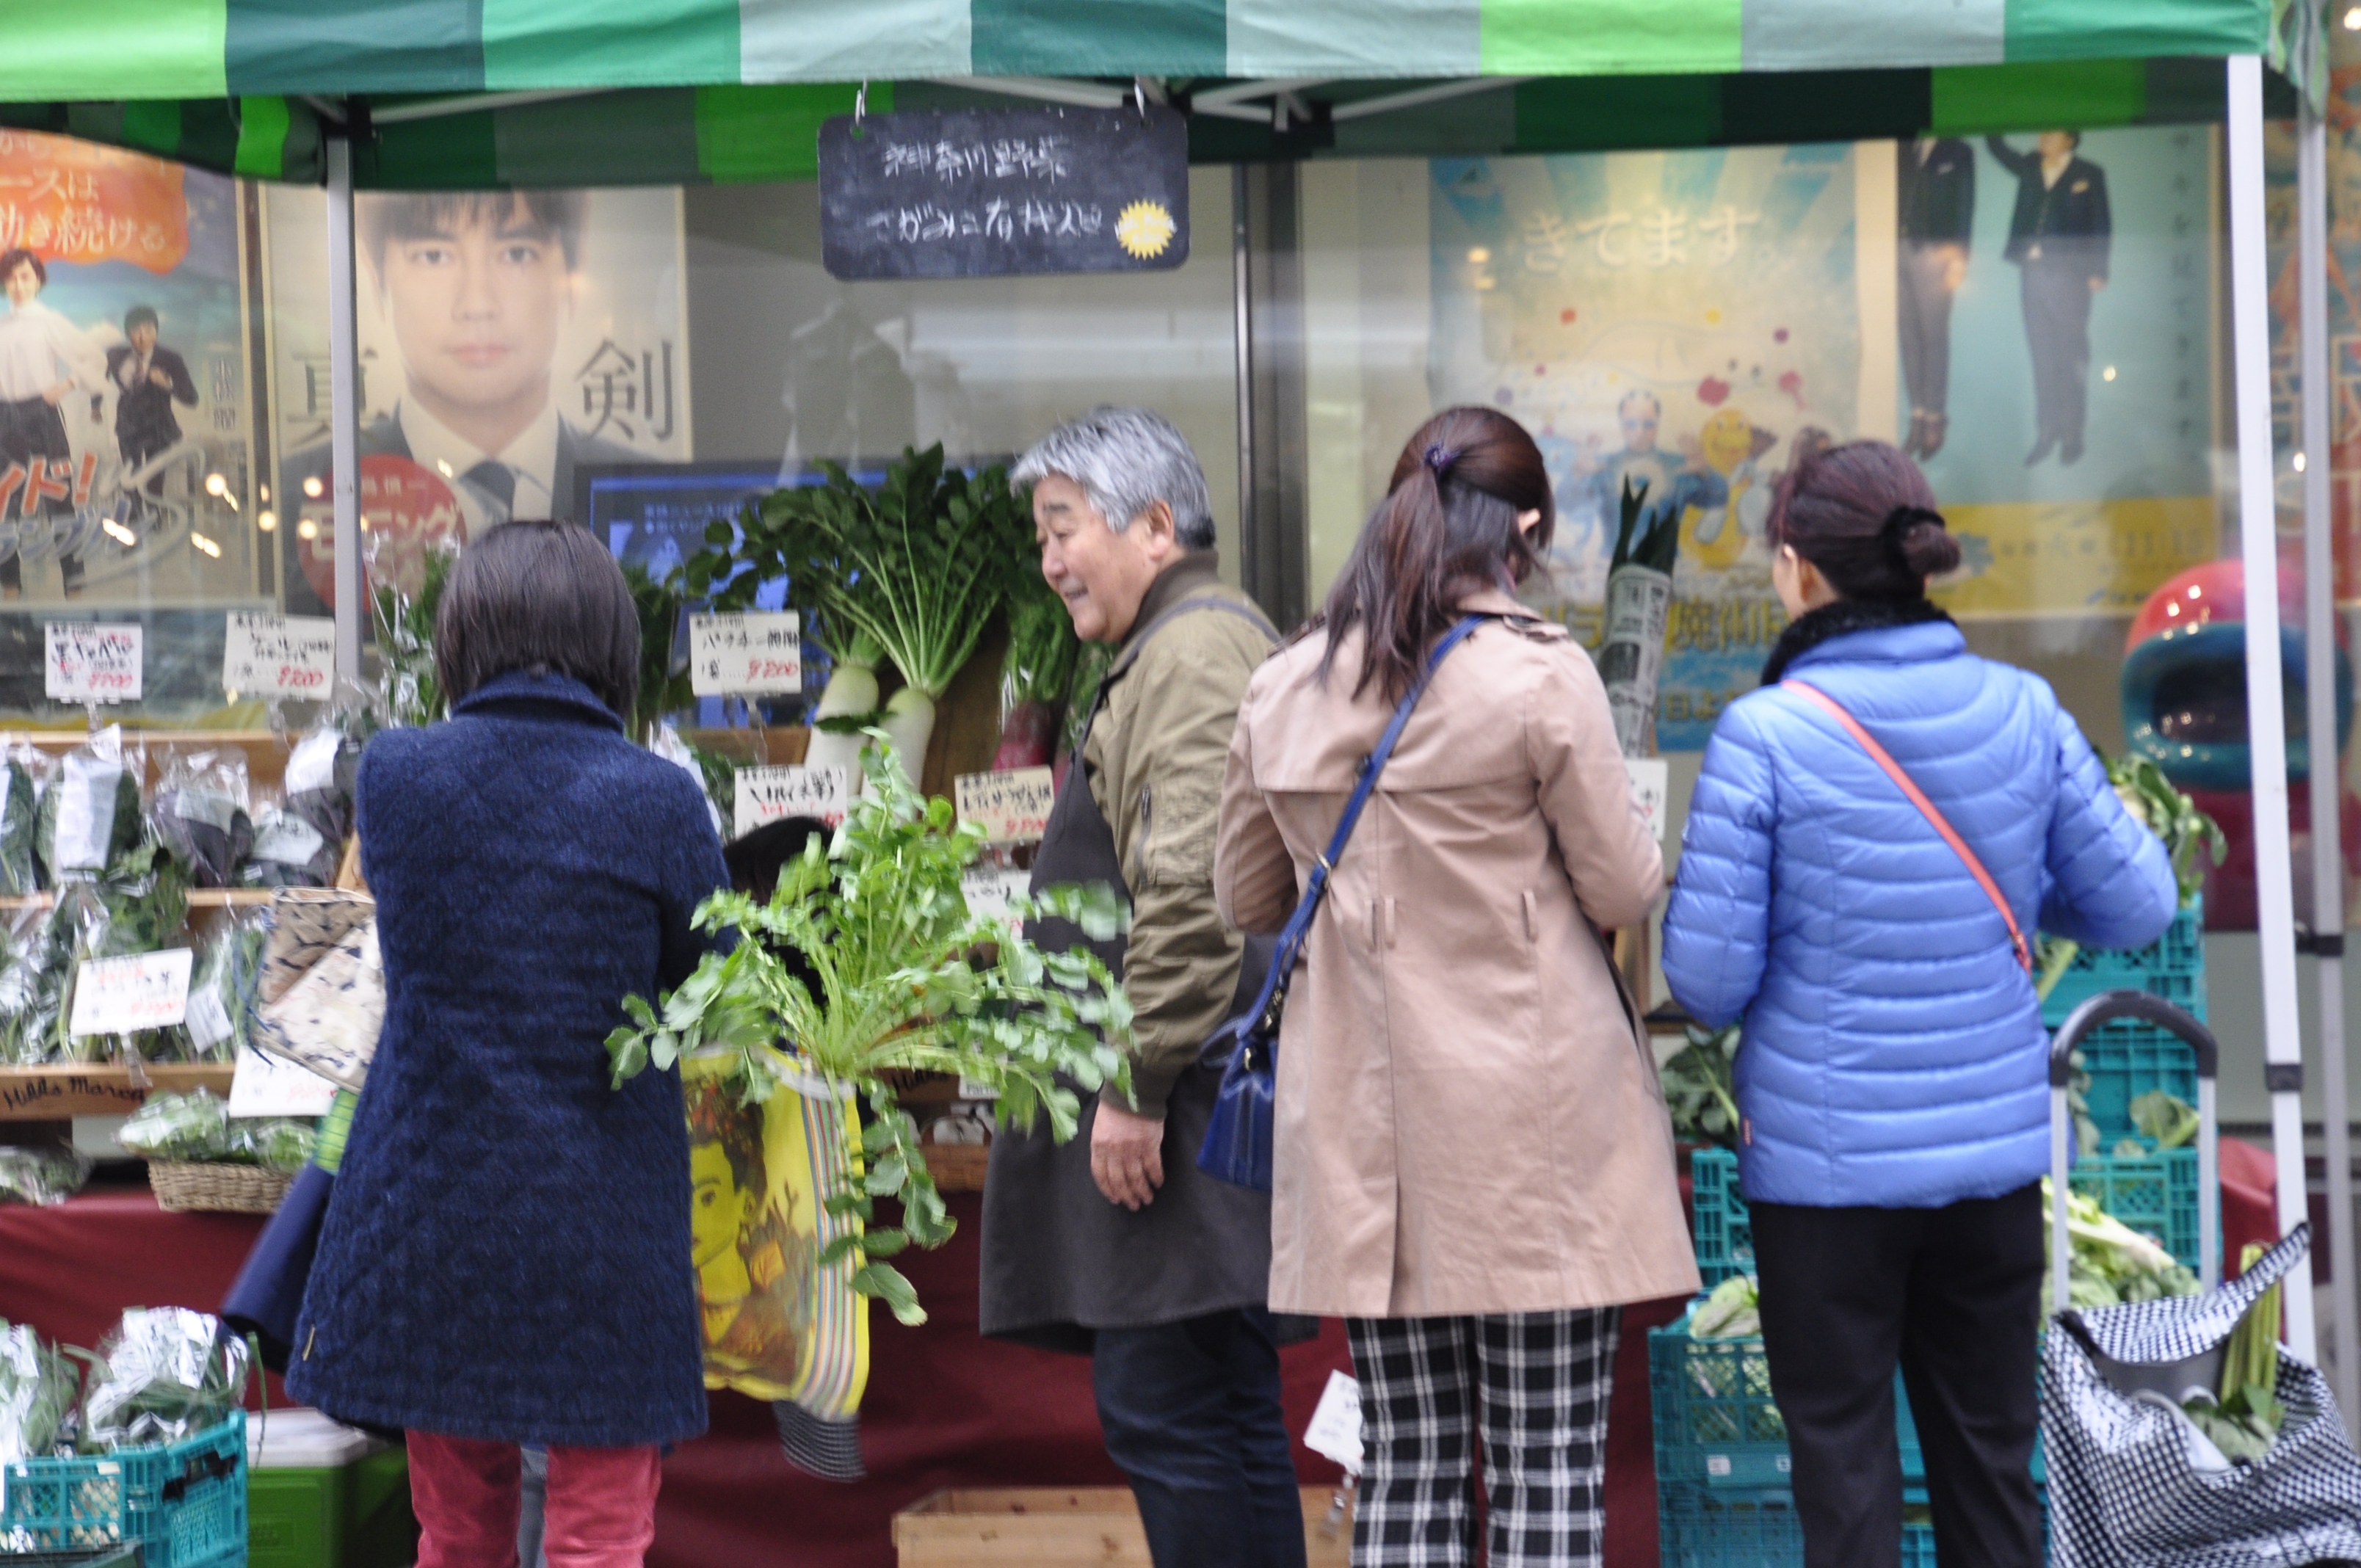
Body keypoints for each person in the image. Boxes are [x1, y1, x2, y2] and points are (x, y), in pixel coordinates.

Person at [1659, 435, 2177, 1568]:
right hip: (1990, 1166)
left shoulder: (1766, 737)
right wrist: (2017, 895)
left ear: (1797, 568)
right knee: (1991, 1466)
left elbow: (1701, 980)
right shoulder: (2025, 710)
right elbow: (2140, 898)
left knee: (1844, 1476)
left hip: (1826, 1179)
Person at [1216, 406, 1700, 1568]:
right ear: (1524, 525)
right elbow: (1626, 889)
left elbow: (1244, 897)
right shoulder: (1540, 678)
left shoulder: (1285, 686)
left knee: (1410, 1466)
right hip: (1537, 1137)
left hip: (1369, 1146)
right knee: (1543, 1473)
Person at [288, 520, 728, 1568]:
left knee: (458, 1528)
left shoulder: (393, 776)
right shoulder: (660, 799)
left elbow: (388, 945)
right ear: (612, 643)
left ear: (461, 636)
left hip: (429, 1210)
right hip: (604, 1223)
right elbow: (713, 986)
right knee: (598, 1537)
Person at [980, 407, 1303, 1568]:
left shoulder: (1192, 652)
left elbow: (1190, 889)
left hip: (1181, 1110)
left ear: (1157, 527)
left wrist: (1135, 1085)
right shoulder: (1177, 646)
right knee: (1213, 1406)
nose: (1050, 559)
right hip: (1190, 1099)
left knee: (1170, 1409)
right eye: (1043, 535)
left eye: (1064, 528)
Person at [281, 192, 638, 611]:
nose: (478, 305)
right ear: (376, 278)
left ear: (572, 277)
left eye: (517, 254)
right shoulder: (303, 493)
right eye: (433, 256)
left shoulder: (641, 486)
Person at [1987, 132, 2111, 466]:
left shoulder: (2089, 173)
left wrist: (2098, 269)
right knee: (2042, 355)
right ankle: (2047, 432)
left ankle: (2073, 435)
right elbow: (1997, 148)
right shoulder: (2029, 165)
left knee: (2070, 355)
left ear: (2069, 139)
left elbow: (2100, 223)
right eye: (2041, 131)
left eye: (2051, 131)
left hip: (2071, 275)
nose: (2043, 136)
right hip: (2032, 272)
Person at [0, 249, 102, 598]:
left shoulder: (48, 320)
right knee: (5, 503)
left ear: (38, 280)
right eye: (11, 277)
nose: (17, 285)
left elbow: (94, 356)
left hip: (42, 415)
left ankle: (74, 582)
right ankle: (10, 585)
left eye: (25, 276)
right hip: (4, 418)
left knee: (59, 498)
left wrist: (66, 385)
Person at [1896, 139, 1975, 461]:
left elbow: (1965, 205)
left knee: (1934, 336)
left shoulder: (1958, 151)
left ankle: (1935, 419)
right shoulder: (1899, 146)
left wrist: (1960, 258)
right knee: (1908, 336)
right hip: (1895, 247)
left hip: (1936, 251)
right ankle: (1917, 416)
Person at [105, 304, 197, 498]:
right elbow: (96, 377)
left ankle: (155, 523)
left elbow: (191, 398)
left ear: (156, 332)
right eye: (136, 331)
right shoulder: (115, 356)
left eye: (149, 331)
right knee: (130, 480)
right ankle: (135, 522)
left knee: (155, 484)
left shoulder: (170, 359)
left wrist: (167, 384)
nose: (142, 337)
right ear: (127, 334)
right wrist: (95, 406)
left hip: (157, 428)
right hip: (128, 427)